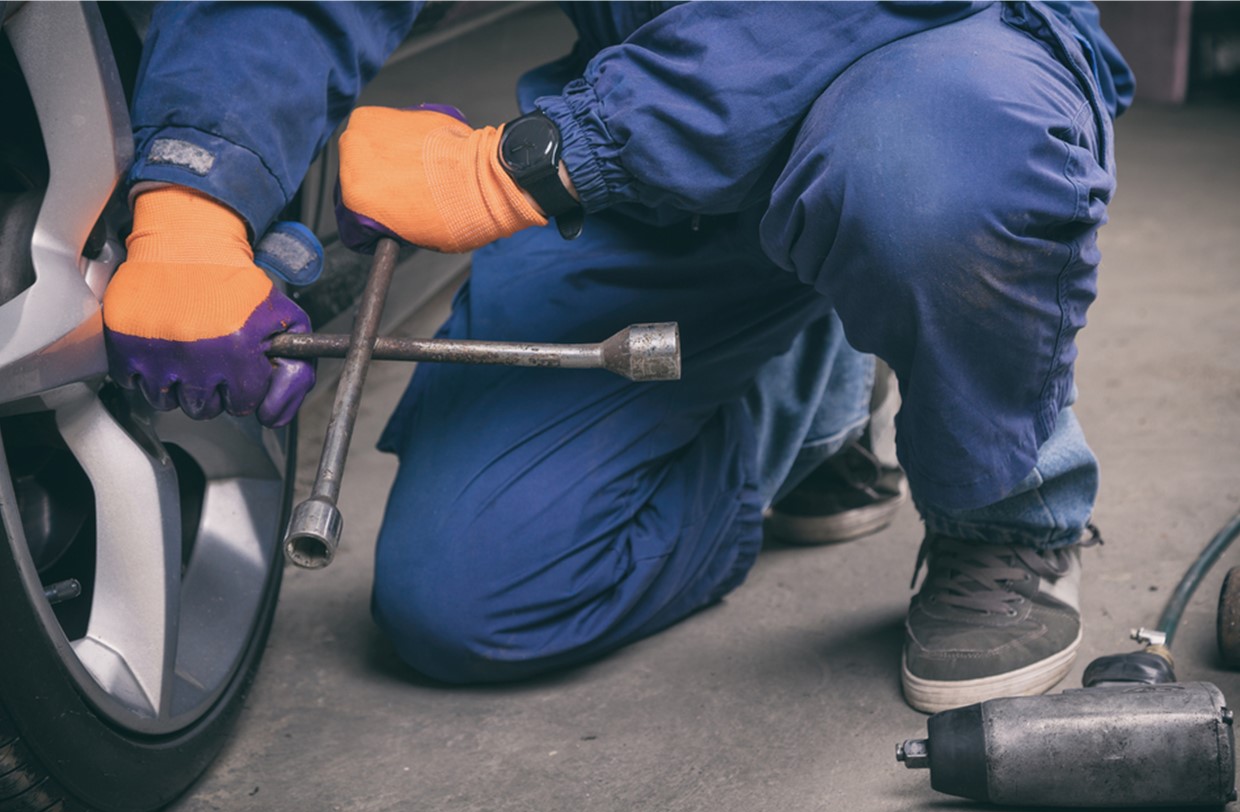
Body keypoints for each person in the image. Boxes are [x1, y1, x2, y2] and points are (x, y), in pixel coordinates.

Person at [102, 1, 1132, 713]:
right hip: (654, 131)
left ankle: (1006, 517)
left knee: (922, 177)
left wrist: (537, 161)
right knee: (467, 599)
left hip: (918, 72)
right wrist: (196, 191)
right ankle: (820, 392)